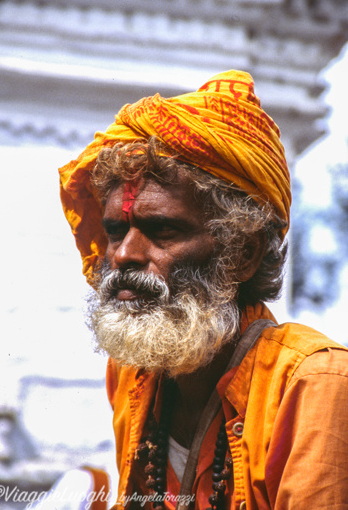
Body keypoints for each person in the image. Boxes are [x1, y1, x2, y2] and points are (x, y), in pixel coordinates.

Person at [59, 70, 348, 510]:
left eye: (162, 230)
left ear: (242, 253)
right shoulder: (133, 374)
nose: (123, 255)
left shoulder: (313, 387)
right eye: (117, 230)